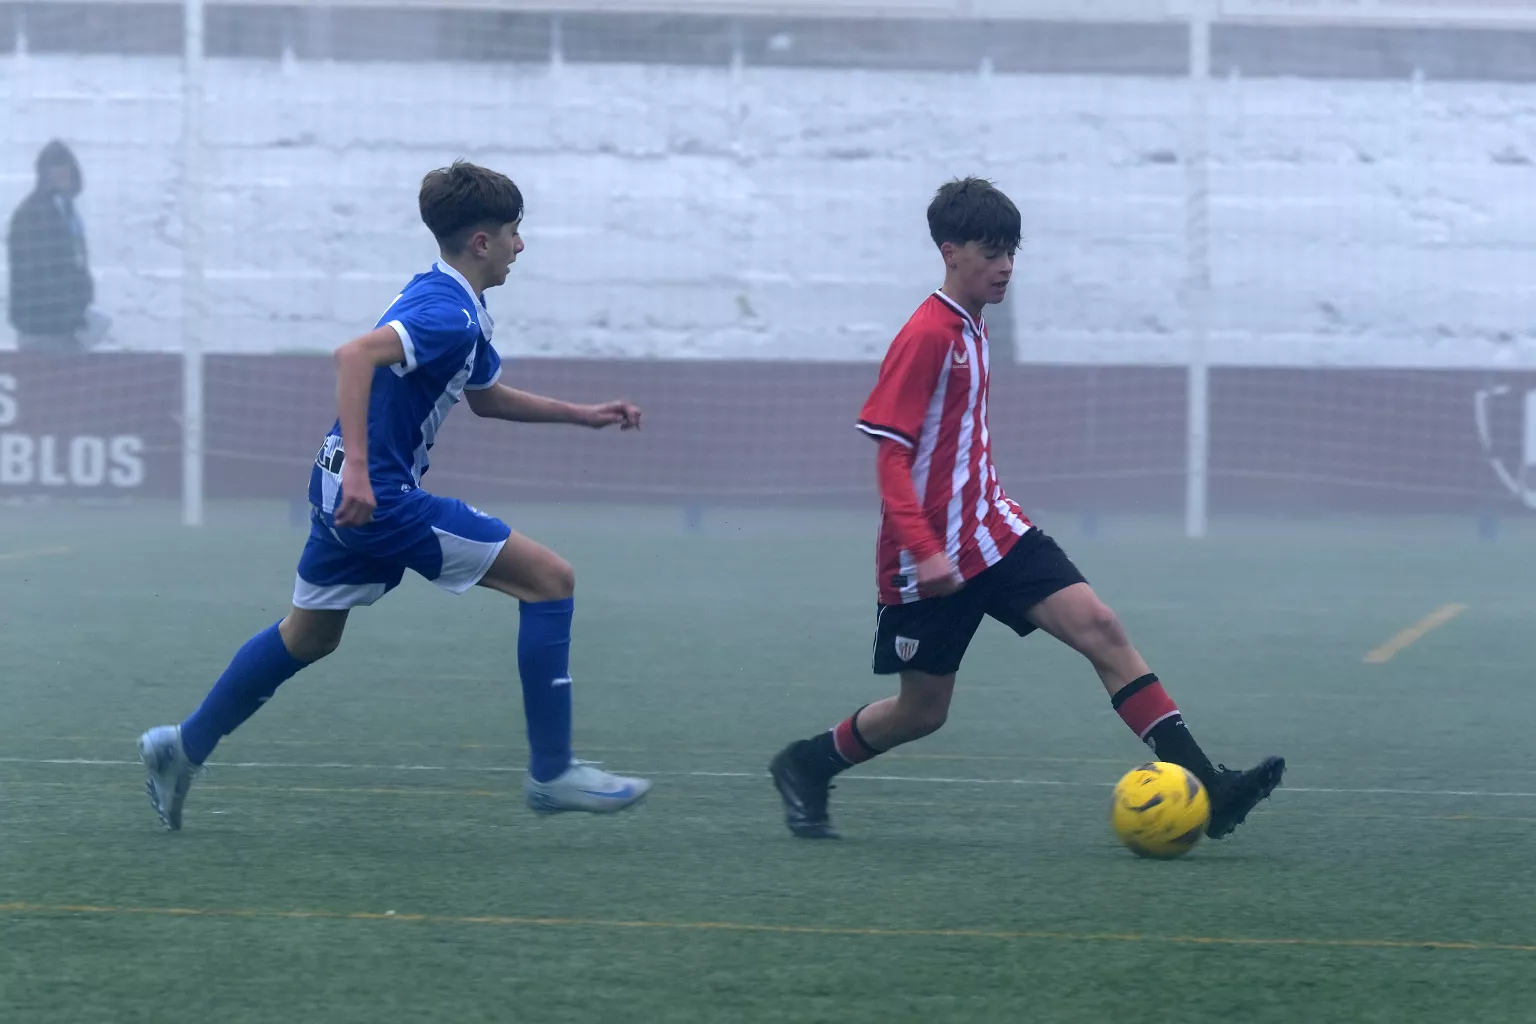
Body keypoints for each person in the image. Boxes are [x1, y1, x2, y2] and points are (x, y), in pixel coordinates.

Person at [138, 161, 651, 830]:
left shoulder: (450, 300)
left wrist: (582, 414)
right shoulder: (445, 312)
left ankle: (181, 747)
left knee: (309, 635)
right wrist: (361, 469)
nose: (520, 246)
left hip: (338, 487)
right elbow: (353, 356)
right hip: (375, 496)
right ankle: (552, 773)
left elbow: (486, 398)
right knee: (551, 580)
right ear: (481, 243)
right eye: (513, 233)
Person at [768, 177, 1285, 841]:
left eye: (1012, 251)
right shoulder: (926, 335)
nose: (1006, 265)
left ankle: (1209, 790)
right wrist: (925, 550)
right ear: (951, 252)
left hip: (995, 530)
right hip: (928, 558)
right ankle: (806, 765)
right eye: (991, 252)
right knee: (923, 711)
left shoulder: (974, 329)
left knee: (1101, 627)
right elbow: (890, 458)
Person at [6, 140, 103, 352]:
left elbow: (74, 263)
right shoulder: (31, 214)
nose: (61, 173)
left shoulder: (66, 211)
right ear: (44, 174)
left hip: (66, 326)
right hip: (44, 330)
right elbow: (38, 275)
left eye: (65, 167)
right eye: (54, 168)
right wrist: (71, 313)